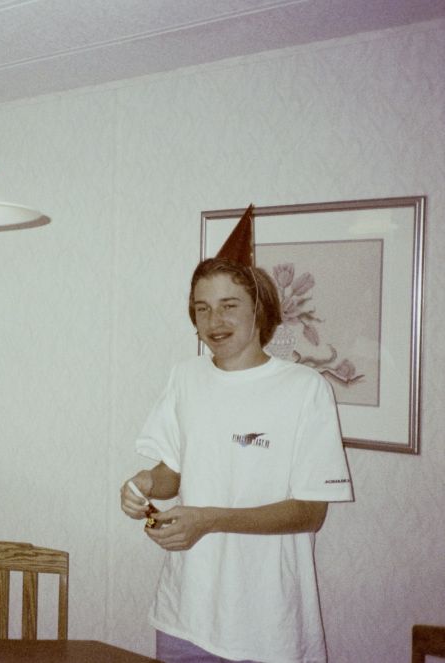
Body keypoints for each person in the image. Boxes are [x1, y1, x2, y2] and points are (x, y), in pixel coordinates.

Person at [120, 205, 353, 663]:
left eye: (229, 306)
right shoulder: (185, 377)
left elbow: (310, 512)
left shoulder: (305, 390)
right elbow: (174, 471)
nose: (214, 322)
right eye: (202, 309)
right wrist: (145, 484)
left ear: (259, 309)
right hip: (184, 615)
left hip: (269, 625)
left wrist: (208, 519)